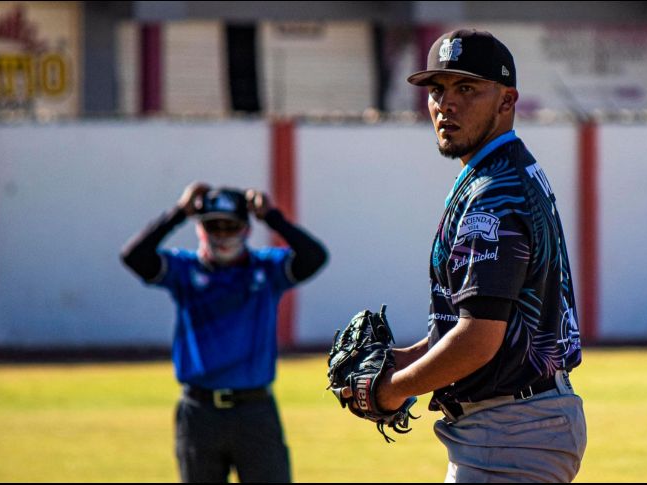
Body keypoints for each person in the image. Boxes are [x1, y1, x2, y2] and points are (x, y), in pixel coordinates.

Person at [347, 29, 587, 482]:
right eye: (437, 89)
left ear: (506, 100)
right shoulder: (498, 172)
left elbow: (479, 340)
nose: (445, 104)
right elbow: (469, 328)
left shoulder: (495, 194)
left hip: (512, 433)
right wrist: (396, 361)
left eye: (466, 88)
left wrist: (391, 392)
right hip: (514, 426)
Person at [120, 182, 328, 483]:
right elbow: (134, 257)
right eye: (213, 226)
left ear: (245, 229)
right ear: (200, 229)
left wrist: (271, 216)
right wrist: (179, 212)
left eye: (229, 226)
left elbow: (314, 257)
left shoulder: (266, 268)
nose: (221, 235)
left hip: (255, 409)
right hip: (199, 411)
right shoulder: (185, 270)